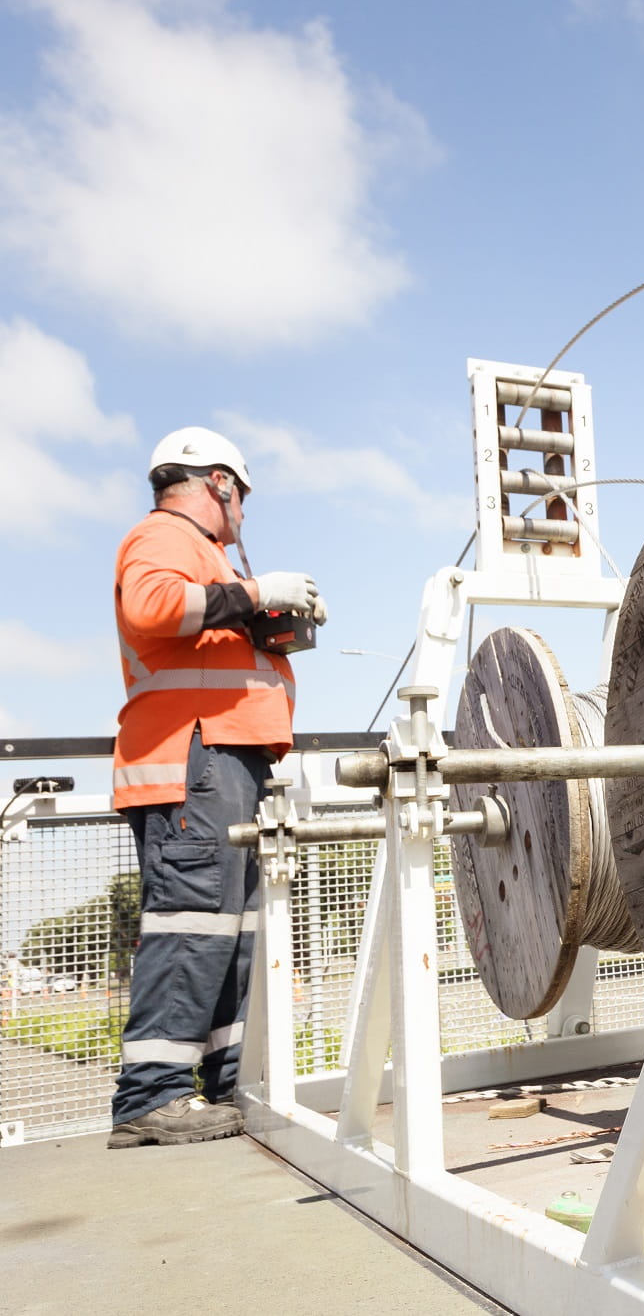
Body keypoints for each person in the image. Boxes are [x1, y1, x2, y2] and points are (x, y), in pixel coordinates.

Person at [107, 427, 327, 1148]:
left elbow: (198, 628)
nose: (243, 513)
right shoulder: (167, 535)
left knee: (231, 931)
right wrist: (257, 591)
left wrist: (266, 622)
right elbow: (151, 607)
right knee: (193, 920)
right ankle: (150, 1096)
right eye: (242, 496)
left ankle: (224, 1079)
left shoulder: (204, 559)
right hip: (192, 757)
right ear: (218, 483)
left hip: (223, 757)